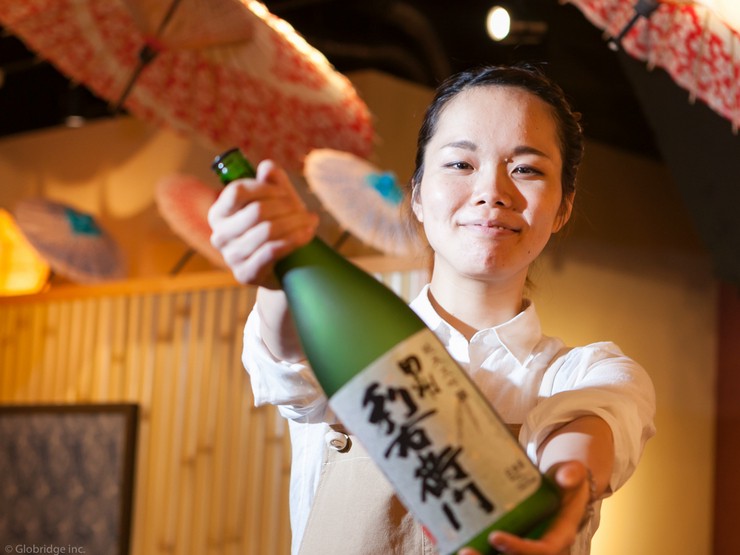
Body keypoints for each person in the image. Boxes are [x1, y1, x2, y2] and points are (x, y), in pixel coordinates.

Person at [208, 63, 656, 555]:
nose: (492, 192)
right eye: (461, 164)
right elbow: (291, 357)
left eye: (526, 169)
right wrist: (279, 266)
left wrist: (567, 484)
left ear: (563, 207)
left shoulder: (588, 373)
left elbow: (594, 420)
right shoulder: (349, 333)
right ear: (418, 194)